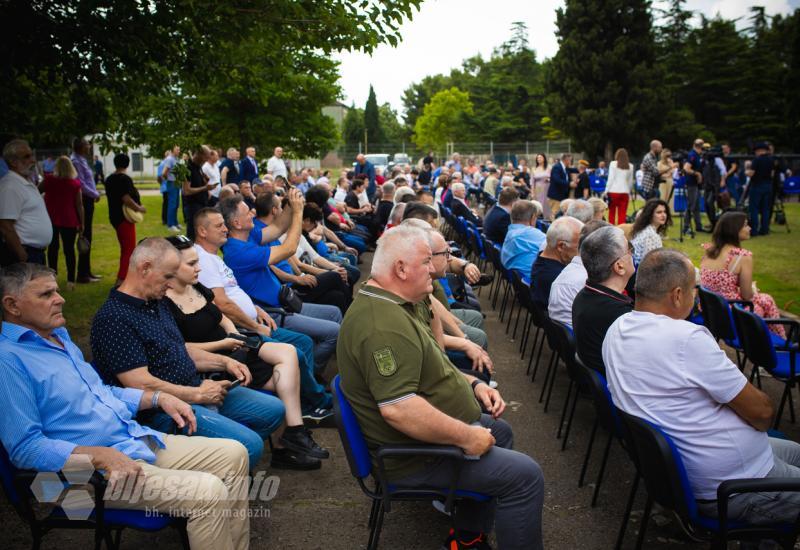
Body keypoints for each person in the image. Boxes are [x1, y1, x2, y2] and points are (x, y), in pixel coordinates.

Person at [0, 262, 251, 550]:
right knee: (208, 492)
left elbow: (100, 392)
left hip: (128, 440)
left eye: (56, 291)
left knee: (234, 453)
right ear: (13, 305)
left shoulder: (58, 338)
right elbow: (25, 448)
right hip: (79, 478)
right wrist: (98, 456)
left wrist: (158, 398)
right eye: (46, 295)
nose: (61, 298)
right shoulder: (8, 361)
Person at [337, 225, 545, 550]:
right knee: (526, 477)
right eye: (425, 262)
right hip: (413, 459)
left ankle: (467, 537)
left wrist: (473, 384)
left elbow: (431, 367)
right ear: (401, 268)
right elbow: (399, 409)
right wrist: (467, 436)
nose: (433, 270)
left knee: (499, 432)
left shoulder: (396, 303)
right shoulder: (382, 325)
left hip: (420, 443)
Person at [603, 249, 800, 528]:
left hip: (707, 470)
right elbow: (762, 414)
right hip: (733, 487)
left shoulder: (616, 328)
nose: (696, 299)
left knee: (794, 450)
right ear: (677, 294)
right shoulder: (686, 338)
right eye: (694, 291)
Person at [90, 237, 285, 468]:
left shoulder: (155, 301)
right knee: (250, 445)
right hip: (163, 411)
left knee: (274, 410)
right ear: (145, 268)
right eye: (168, 276)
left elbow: (178, 350)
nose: (172, 284)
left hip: (197, 389)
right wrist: (197, 395)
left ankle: (223, 465)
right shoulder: (114, 318)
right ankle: (218, 468)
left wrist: (223, 362)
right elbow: (138, 384)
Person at [163, 235, 327, 469]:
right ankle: (288, 441)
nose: (198, 267)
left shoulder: (196, 288)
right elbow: (181, 349)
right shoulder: (164, 304)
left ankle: (295, 433)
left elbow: (220, 316)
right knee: (286, 372)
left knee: (290, 353)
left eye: (197, 261)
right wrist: (224, 344)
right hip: (215, 361)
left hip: (234, 346)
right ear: (169, 265)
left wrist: (233, 334)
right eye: (191, 264)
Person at [192, 207, 334, 421]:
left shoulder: (216, 255)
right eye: (219, 225)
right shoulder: (208, 258)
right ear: (202, 231)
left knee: (306, 339)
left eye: (225, 223)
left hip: (261, 315)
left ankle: (311, 396)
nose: (225, 229)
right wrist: (255, 325)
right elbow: (221, 303)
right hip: (249, 326)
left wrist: (255, 309)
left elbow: (277, 229)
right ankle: (313, 402)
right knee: (298, 349)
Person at [219, 193, 343, 372]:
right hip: (275, 313)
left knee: (335, 313)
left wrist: (292, 203)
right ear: (237, 223)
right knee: (333, 331)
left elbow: (278, 226)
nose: (253, 213)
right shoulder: (238, 252)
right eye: (247, 212)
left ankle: (326, 363)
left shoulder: (247, 236)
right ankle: (307, 373)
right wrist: (298, 213)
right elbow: (289, 248)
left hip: (286, 301)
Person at [700, 211, 785, 338]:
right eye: (745, 225)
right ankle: (781, 341)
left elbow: (718, 284)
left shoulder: (709, 251)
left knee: (765, 301)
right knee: (766, 302)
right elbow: (746, 295)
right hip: (732, 314)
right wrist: (752, 290)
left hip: (711, 312)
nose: (749, 228)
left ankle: (775, 341)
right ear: (734, 229)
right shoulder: (742, 257)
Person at [572, 226, 634, 373]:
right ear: (619, 266)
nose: (632, 255)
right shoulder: (621, 316)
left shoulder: (585, 295)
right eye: (629, 251)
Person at [548, 220, 609, 327]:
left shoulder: (573, 270)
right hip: (578, 340)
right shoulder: (587, 279)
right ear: (601, 249)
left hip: (567, 338)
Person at [0, 139, 52, 266]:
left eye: (32, 155)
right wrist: (22, 255)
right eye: (27, 156)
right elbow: (5, 225)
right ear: (13, 162)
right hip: (26, 254)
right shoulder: (10, 186)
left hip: (34, 253)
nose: (33, 160)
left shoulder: (24, 181)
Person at [103, 153, 146, 285]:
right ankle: (121, 280)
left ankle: (124, 276)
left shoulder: (109, 179)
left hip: (114, 216)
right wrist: (139, 208)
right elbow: (126, 198)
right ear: (127, 164)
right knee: (129, 249)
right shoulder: (124, 179)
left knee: (125, 248)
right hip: (124, 217)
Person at [42, 156, 84, 289]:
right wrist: (82, 223)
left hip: (50, 219)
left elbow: (36, 192)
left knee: (52, 250)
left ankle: (53, 279)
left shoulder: (49, 180)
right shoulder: (75, 184)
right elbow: (79, 205)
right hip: (69, 219)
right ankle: (71, 281)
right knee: (69, 250)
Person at [530, 216, 583, 310]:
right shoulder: (559, 278)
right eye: (579, 247)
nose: (582, 252)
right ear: (561, 246)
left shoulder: (542, 259)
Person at [70, 138, 101, 283]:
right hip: (84, 200)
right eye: (88, 144)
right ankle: (82, 274)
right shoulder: (75, 161)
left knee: (88, 235)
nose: (89, 146)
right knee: (84, 235)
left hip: (88, 200)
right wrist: (95, 194)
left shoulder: (81, 159)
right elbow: (81, 184)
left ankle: (87, 271)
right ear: (82, 147)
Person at [501, 200, 546, 280]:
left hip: (519, 282)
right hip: (533, 282)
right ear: (532, 218)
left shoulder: (511, 231)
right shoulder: (532, 234)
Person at [183, 146, 214, 240]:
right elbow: (186, 191)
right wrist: (205, 188)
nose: (207, 160)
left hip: (201, 204)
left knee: (202, 234)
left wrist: (205, 181)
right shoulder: (188, 168)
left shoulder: (199, 167)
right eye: (206, 157)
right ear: (199, 155)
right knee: (193, 235)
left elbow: (197, 183)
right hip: (193, 207)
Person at [630, 198, 671, 265]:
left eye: (665, 212)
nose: (663, 215)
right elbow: (650, 264)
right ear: (650, 215)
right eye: (659, 212)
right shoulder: (651, 236)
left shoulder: (644, 229)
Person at [746, 142, 774, 236]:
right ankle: (764, 229)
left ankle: (754, 230)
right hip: (768, 185)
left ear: (759, 151)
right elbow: (772, 174)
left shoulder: (757, 160)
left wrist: (747, 172)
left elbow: (751, 173)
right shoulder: (771, 160)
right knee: (766, 209)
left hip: (757, 185)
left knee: (754, 208)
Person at [683, 138, 706, 235]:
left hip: (695, 184)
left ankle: (699, 226)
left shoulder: (696, 155)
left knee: (696, 205)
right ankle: (686, 227)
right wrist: (697, 174)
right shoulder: (692, 155)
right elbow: (686, 168)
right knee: (691, 205)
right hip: (691, 183)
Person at [605, 148, 634, 225]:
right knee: (622, 214)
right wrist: (629, 191)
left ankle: (611, 229)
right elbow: (630, 181)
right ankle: (622, 231)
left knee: (612, 213)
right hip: (625, 192)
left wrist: (606, 190)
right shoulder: (630, 166)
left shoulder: (613, 164)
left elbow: (610, 178)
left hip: (613, 191)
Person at [161, 145, 182, 232]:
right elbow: (164, 172)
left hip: (177, 183)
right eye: (177, 149)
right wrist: (169, 179)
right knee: (172, 204)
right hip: (172, 183)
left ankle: (175, 223)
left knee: (176, 204)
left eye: (179, 149)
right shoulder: (169, 159)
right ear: (172, 150)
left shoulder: (176, 159)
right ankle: (170, 225)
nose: (179, 151)